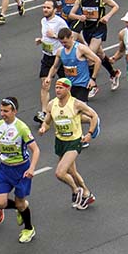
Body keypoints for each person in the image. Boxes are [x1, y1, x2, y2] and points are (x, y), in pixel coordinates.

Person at [0, 97, 40, 243]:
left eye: (6, 111)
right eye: (1, 110)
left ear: (14, 111)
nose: (3, 114)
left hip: (22, 170)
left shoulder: (21, 128)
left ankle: (28, 228)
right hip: (5, 169)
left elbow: (36, 150)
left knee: (21, 202)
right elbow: (1, 143)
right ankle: (20, 208)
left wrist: (32, 168)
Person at [37, 77, 99, 210]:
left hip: (74, 142)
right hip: (60, 142)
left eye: (61, 88)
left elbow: (94, 116)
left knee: (60, 172)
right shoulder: (51, 104)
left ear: (68, 89)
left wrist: (89, 133)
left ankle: (77, 191)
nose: (57, 90)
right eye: (56, 88)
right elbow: (47, 122)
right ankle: (87, 193)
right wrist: (43, 128)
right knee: (72, 172)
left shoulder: (76, 104)